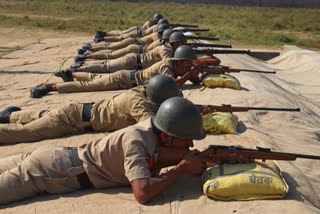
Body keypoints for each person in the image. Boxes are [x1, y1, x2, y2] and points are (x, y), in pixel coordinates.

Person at [0, 97, 211, 205]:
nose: (190, 145)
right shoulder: (136, 141)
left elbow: (156, 157)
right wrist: (180, 170)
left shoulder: (150, 130)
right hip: (50, 171)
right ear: (167, 135)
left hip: (56, 157)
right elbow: (142, 193)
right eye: (186, 140)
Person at [0, 75, 182, 144]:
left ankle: (9, 116)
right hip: (72, 120)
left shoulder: (143, 92)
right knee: (29, 132)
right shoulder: (137, 102)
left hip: (76, 113)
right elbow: (152, 127)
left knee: (42, 116)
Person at [29, 45, 199, 98]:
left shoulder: (176, 66)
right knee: (90, 86)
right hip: (125, 79)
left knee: (97, 77)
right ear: (181, 62)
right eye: (187, 64)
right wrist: (188, 75)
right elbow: (173, 86)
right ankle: (49, 88)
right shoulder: (166, 66)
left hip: (127, 77)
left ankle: (71, 74)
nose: (188, 67)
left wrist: (196, 74)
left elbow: (193, 80)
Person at [62, 29, 184, 75]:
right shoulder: (165, 49)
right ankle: (78, 68)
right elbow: (166, 62)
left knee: (108, 58)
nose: (183, 45)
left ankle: (84, 60)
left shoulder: (164, 45)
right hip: (132, 60)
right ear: (174, 42)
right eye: (181, 43)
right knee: (107, 66)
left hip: (134, 56)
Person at [85, 23, 169, 53]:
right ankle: (92, 49)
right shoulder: (157, 36)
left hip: (135, 37)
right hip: (135, 43)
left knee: (117, 40)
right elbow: (158, 42)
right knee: (112, 50)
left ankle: (101, 38)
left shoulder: (152, 25)